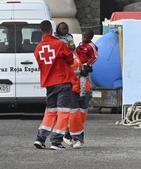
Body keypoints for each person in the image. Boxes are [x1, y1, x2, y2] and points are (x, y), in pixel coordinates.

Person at [33, 20, 75, 150]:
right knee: (63, 112)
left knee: (50, 112)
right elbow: (70, 59)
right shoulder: (60, 44)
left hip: (49, 84)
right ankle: (56, 141)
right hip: (62, 82)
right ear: (52, 30)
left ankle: (40, 139)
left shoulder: (38, 48)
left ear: (41, 31)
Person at [63, 29, 98, 148]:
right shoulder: (70, 55)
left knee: (82, 113)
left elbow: (94, 58)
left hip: (84, 87)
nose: (71, 45)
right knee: (75, 113)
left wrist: (88, 66)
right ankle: (73, 136)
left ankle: (70, 135)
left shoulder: (90, 47)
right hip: (72, 88)